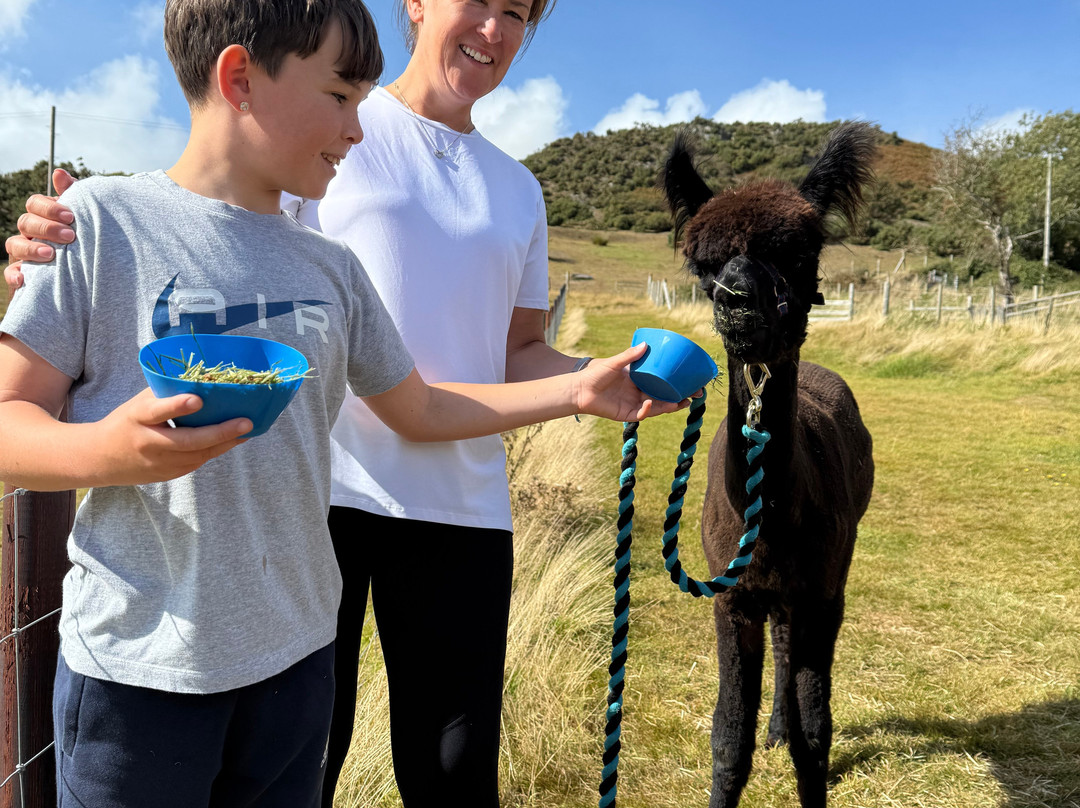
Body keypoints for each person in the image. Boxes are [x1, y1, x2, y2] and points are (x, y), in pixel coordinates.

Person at [0, 2, 687, 807]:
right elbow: (199, 234)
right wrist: (101, 438)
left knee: (443, 770)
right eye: (340, 99)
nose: (356, 129)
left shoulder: (389, 244)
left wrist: (585, 384)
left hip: (363, 597)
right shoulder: (138, 210)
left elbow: (445, 391)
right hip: (217, 595)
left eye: (519, 12)